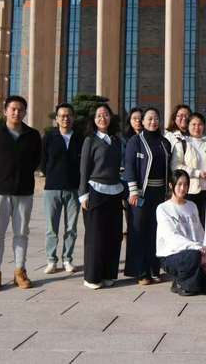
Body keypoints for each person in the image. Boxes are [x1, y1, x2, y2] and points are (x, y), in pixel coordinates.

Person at [0, 95, 42, 292]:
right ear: (5, 111)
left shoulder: (32, 135)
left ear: (25, 112)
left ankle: (19, 271)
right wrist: (0, 176)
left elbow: (36, 160)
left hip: (24, 191)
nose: (16, 112)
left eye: (20, 109)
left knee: (21, 233)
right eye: (13, 109)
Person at [79, 103, 125, 290]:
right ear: (93, 119)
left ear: (110, 117)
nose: (102, 118)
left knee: (114, 235)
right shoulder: (90, 140)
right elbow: (84, 168)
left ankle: (109, 274)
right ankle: (92, 277)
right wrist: (83, 194)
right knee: (95, 236)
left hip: (115, 192)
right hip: (95, 191)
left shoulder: (116, 140)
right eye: (98, 115)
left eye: (105, 114)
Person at [124, 107, 172, 285]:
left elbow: (169, 168)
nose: (153, 121)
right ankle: (141, 272)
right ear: (142, 122)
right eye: (149, 118)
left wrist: (170, 191)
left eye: (156, 118)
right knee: (139, 231)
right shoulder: (135, 141)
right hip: (141, 194)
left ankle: (154, 269)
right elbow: (129, 166)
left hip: (160, 194)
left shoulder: (164, 142)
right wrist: (133, 190)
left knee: (156, 231)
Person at [156, 169, 206, 296]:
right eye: (179, 184)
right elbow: (171, 237)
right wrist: (197, 248)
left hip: (196, 252)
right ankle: (180, 282)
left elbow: (200, 232)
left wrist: (205, 254)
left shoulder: (192, 206)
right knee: (193, 260)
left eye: (185, 185)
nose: (182, 188)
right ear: (171, 185)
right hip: (172, 255)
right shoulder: (163, 208)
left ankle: (193, 279)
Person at [40, 102, 83, 275]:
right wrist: (51, 174)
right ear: (56, 118)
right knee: (51, 228)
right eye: (62, 116)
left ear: (73, 118)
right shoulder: (49, 137)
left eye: (69, 115)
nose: (65, 118)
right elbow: (42, 160)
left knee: (71, 228)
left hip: (73, 189)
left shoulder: (80, 138)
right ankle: (51, 260)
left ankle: (67, 259)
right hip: (52, 188)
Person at [171, 112, 206, 225]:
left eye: (200, 124)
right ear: (188, 125)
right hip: (189, 190)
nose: (197, 127)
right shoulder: (182, 144)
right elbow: (175, 166)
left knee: (205, 224)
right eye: (193, 124)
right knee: (189, 224)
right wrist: (196, 173)